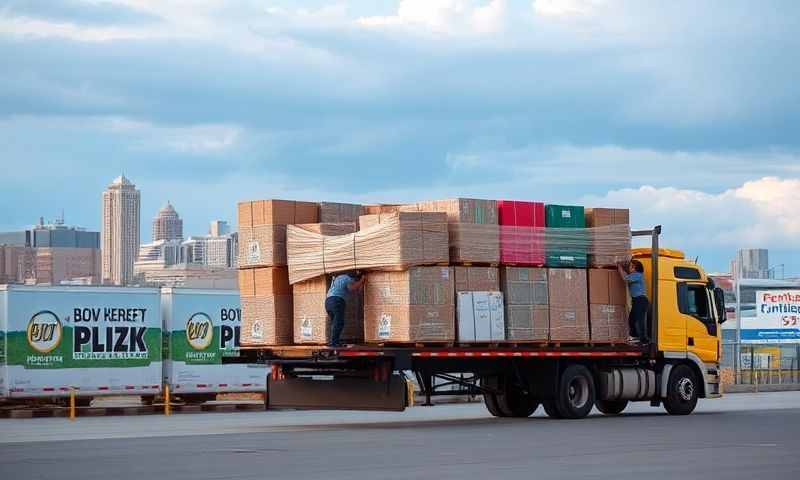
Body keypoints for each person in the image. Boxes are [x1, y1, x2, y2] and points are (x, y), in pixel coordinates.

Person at [325, 271, 366, 347]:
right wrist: (362, 280)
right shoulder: (348, 279)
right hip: (337, 301)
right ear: (354, 278)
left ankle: (334, 341)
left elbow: (356, 289)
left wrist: (359, 284)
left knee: (334, 323)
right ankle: (334, 343)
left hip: (328, 301)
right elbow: (352, 288)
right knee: (339, 323)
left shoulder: (338, 278)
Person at [618, 260, 650, 343]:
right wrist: (623, 267)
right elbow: (627, 275)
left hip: (640, 300)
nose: (629, 267)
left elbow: (625, 278)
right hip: (637, 300)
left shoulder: (637, 275)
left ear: (635, 268)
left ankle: (644, 340)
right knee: (631, 319)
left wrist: (619, 267)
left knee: (640, 320)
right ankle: (635, 336)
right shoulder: (633, 275)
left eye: (630, 266)